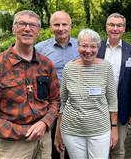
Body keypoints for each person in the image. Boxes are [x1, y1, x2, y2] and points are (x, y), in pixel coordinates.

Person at [0, 10, 60, 159]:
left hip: (43, 140)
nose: (27, 28)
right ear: (13, 29)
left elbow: (55, 101)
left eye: (33, 25)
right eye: (22, 24)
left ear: (39, 32)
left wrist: (44, 124)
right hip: (13, 145)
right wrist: (22, 131)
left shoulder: (46, 65)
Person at [54, 29, 118, 159]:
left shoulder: (106, 67)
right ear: (78, 47)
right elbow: (63, 102)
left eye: (93, 46)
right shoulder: (69, 68)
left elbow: (112, 100)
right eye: (84, 46)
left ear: (98, 48)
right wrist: (58, 131)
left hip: (99, 130)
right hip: (71, 131)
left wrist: (114, 128)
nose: (88, 50)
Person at [97, 13, 131, 159]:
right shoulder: (96, 48)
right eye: (112, 25)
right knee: (98, 147)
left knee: (118, 148)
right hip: (97, 107)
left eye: (119, 25)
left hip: (122, 108)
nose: (115, 28)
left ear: (124, 29)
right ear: (106, 27)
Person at [35, 11, 79, 159]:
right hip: (51, 103)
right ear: (50, 26)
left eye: (64, 24)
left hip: (75, 103)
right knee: (52, 144)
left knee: (72, 144)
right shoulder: (40, 49)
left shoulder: (81, 46)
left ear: (70, 26)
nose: (61, 28)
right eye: (56, 24)